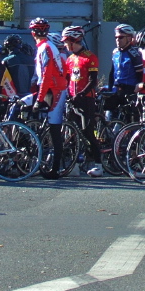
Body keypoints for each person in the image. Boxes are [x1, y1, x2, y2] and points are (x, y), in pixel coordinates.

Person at [29, 18, 68, 179]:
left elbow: (46, 75)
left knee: (54, 129)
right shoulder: (46, 47)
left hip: (55, 90)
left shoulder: (46, 48)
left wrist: (39, 99)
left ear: (33, 33)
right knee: (21, 107)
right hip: (51, 88)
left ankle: (56, 168)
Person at [62, 25, 103, 178]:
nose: (65, 45)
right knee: (72, 132)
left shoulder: (90, 57)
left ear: (74, 40)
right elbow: (67, 79)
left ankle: (98, 165)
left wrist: (81, 93)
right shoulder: (70, 59)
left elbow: (93, 81)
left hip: (86, 100)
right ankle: (75, 165)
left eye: (67, 42)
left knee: (88, 131)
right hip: (72, 100)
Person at [104, 24, 143, 122]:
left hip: (130, 91)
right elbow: (112, 73)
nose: (118, 40)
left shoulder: (135, 54)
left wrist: (136, 92)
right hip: (116, 89)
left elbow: (140, 76)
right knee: (107, 115)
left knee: (129, 119)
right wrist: (109, 89)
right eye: (116, 37)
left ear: (129, 38)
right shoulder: (115, 52)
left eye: (121, 37)